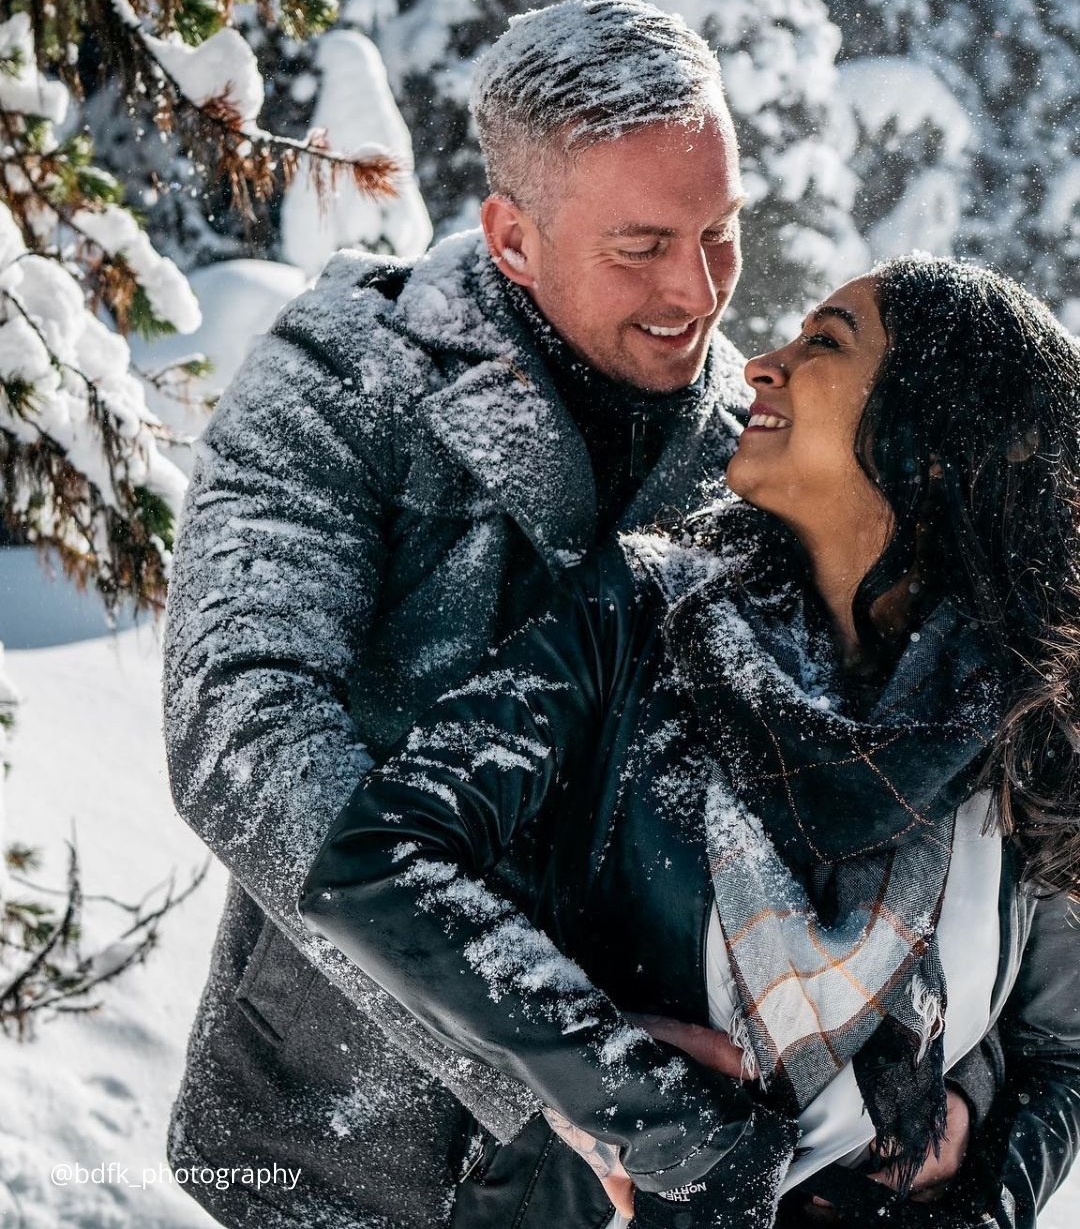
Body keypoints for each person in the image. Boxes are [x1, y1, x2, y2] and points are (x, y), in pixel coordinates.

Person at [301, 256, 1080, 1229]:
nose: (760, 363)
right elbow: (376, 858)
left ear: (942, 430)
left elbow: (1063, 1055)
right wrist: (658, 1111)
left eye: (825, 343)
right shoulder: (640, 616)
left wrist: (978, 1195)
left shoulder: (1028, 726)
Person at [163, 0, 757, 1229]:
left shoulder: (760, 445)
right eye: (642, 245)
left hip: (651, 1180)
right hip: (340, 1140)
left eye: (723, 230)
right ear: (512, 237)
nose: (698, 291)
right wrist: (564, 1062)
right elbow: (245, 732)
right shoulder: (342, 372)